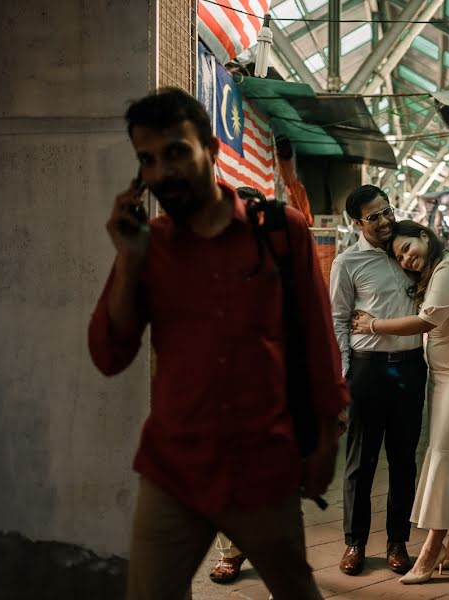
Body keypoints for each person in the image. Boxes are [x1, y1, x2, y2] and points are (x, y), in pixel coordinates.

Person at [88, 87, 348, 600]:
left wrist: (326, 436)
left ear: (210, 146)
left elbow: (317, 340)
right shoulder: (150, 246)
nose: (163, 171)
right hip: (172, 473)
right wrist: (129, 261)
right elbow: (108, 355)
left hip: (263, 469)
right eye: (148, 159)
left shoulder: (279, 232)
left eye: (176, 152)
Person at [351, 220, 449, 585]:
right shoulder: (434, 272)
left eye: (407, 248)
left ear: (424, 236)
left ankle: (431, 549)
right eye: (399, 256)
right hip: (448, 377)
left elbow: (426, 321)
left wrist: (373, 326)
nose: (405, 259)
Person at [329, 185, 427, 576]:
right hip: (367, 369)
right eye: (375, 216)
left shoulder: (406, 252)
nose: (385, 221)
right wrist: (342, 375)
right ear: (357, 223)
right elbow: (338, 319)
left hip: (409, 366)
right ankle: (355, 543)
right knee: (360, 462)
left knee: (404, 459)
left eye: (387, 211)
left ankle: (398, 542)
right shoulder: (348, 262)